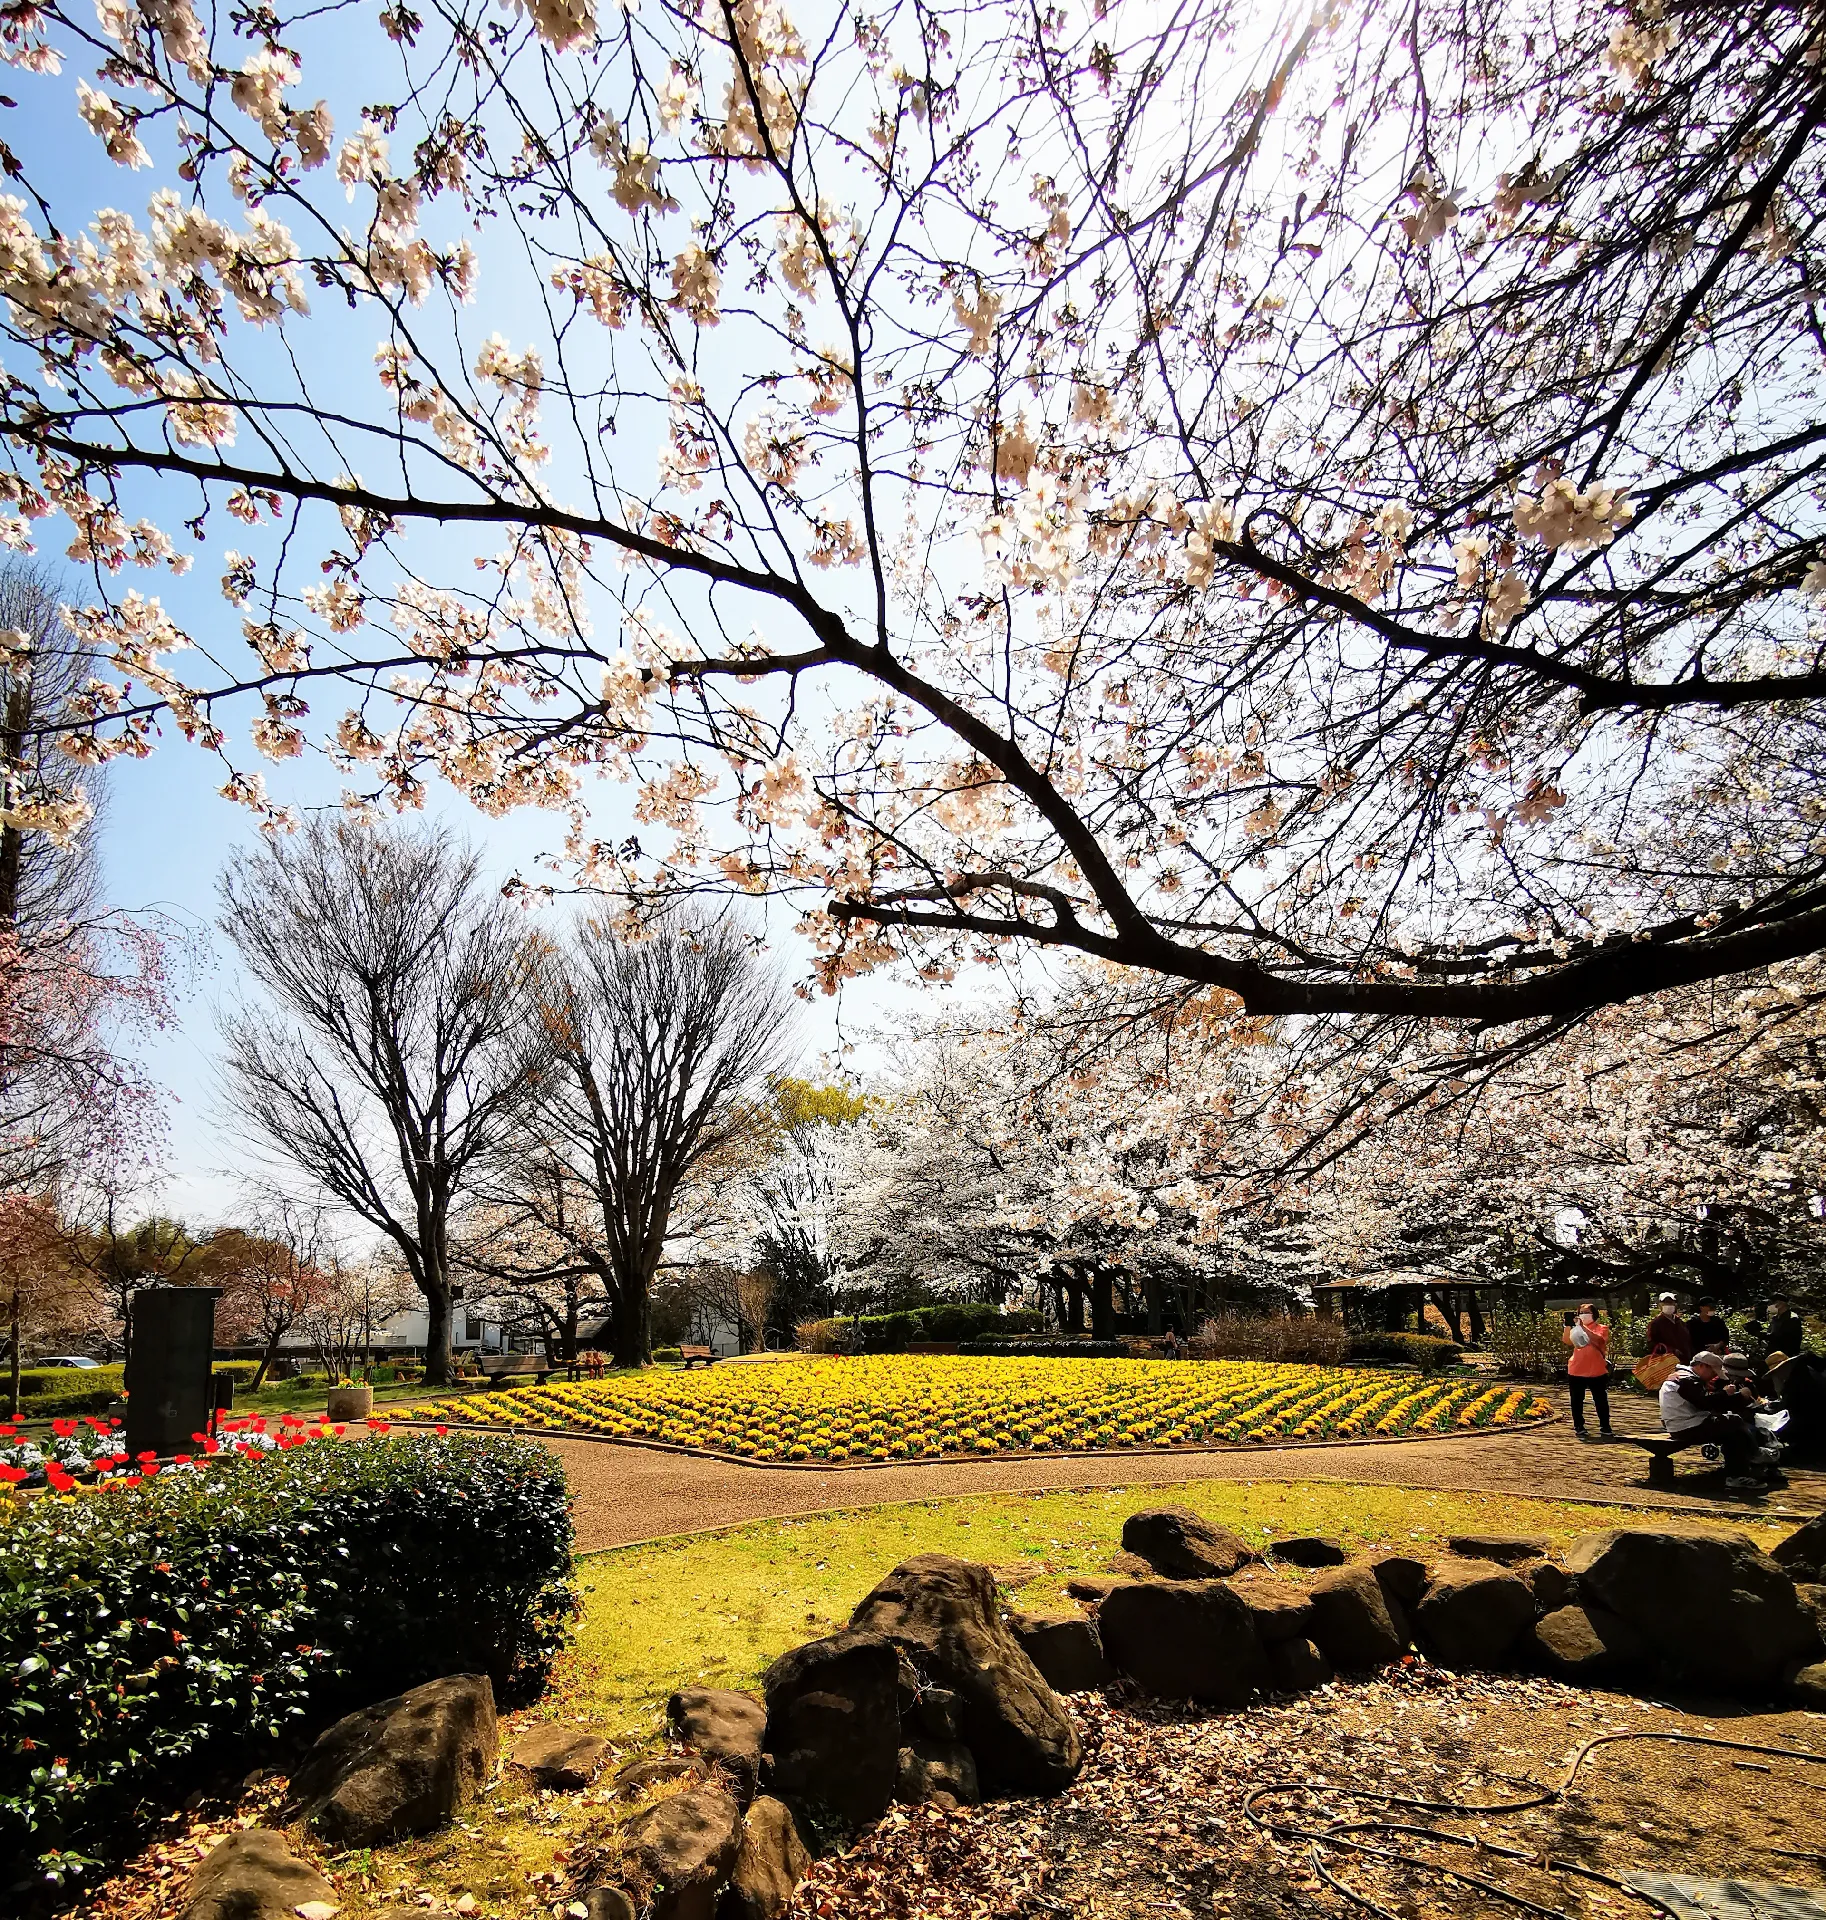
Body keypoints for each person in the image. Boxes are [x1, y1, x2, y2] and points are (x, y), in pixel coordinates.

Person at [1659, 1350, 1764, 1487]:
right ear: (1703, 1366)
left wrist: (1731, 1397)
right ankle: (1754, 1455)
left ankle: (1735, 1473)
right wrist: (1729, 1394)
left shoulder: (1684, 1378)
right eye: (1713, 1372)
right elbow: (1705, 1403)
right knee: (1734, 1421)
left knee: (1734, 1433)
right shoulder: (1686, 1380)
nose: (1713, 1376)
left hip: (1685, 1425)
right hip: (1687, 1427)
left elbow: (1708, 1404)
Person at [1562, 1301, 1614, 1441]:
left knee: (1600, 1400)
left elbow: (1599, 1340)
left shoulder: (1601, 1328)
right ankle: (1579, 1426)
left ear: (1594, 1314)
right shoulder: (1576, 1329)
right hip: (1576, 1369)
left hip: (1596, 1370)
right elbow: (1567, 1341)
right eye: (1581, 1313)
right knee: (1577, 1400)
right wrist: (1568, 1325)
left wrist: (1583, 1327)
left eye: (1587, 1312)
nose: (1583, 1315)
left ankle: (1605, 1426)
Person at [1645, 1291, 1692, 1362]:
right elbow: (1652, 1343)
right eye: (1665, 1303)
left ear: (1675, 1304)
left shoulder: (1680, 1322)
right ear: (1660, 1305)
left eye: (1671, 1303)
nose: (1668, 1305)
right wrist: (1671, 1350)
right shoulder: (1656, 1323)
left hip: (1684, 1361)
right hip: (1666, 1363)